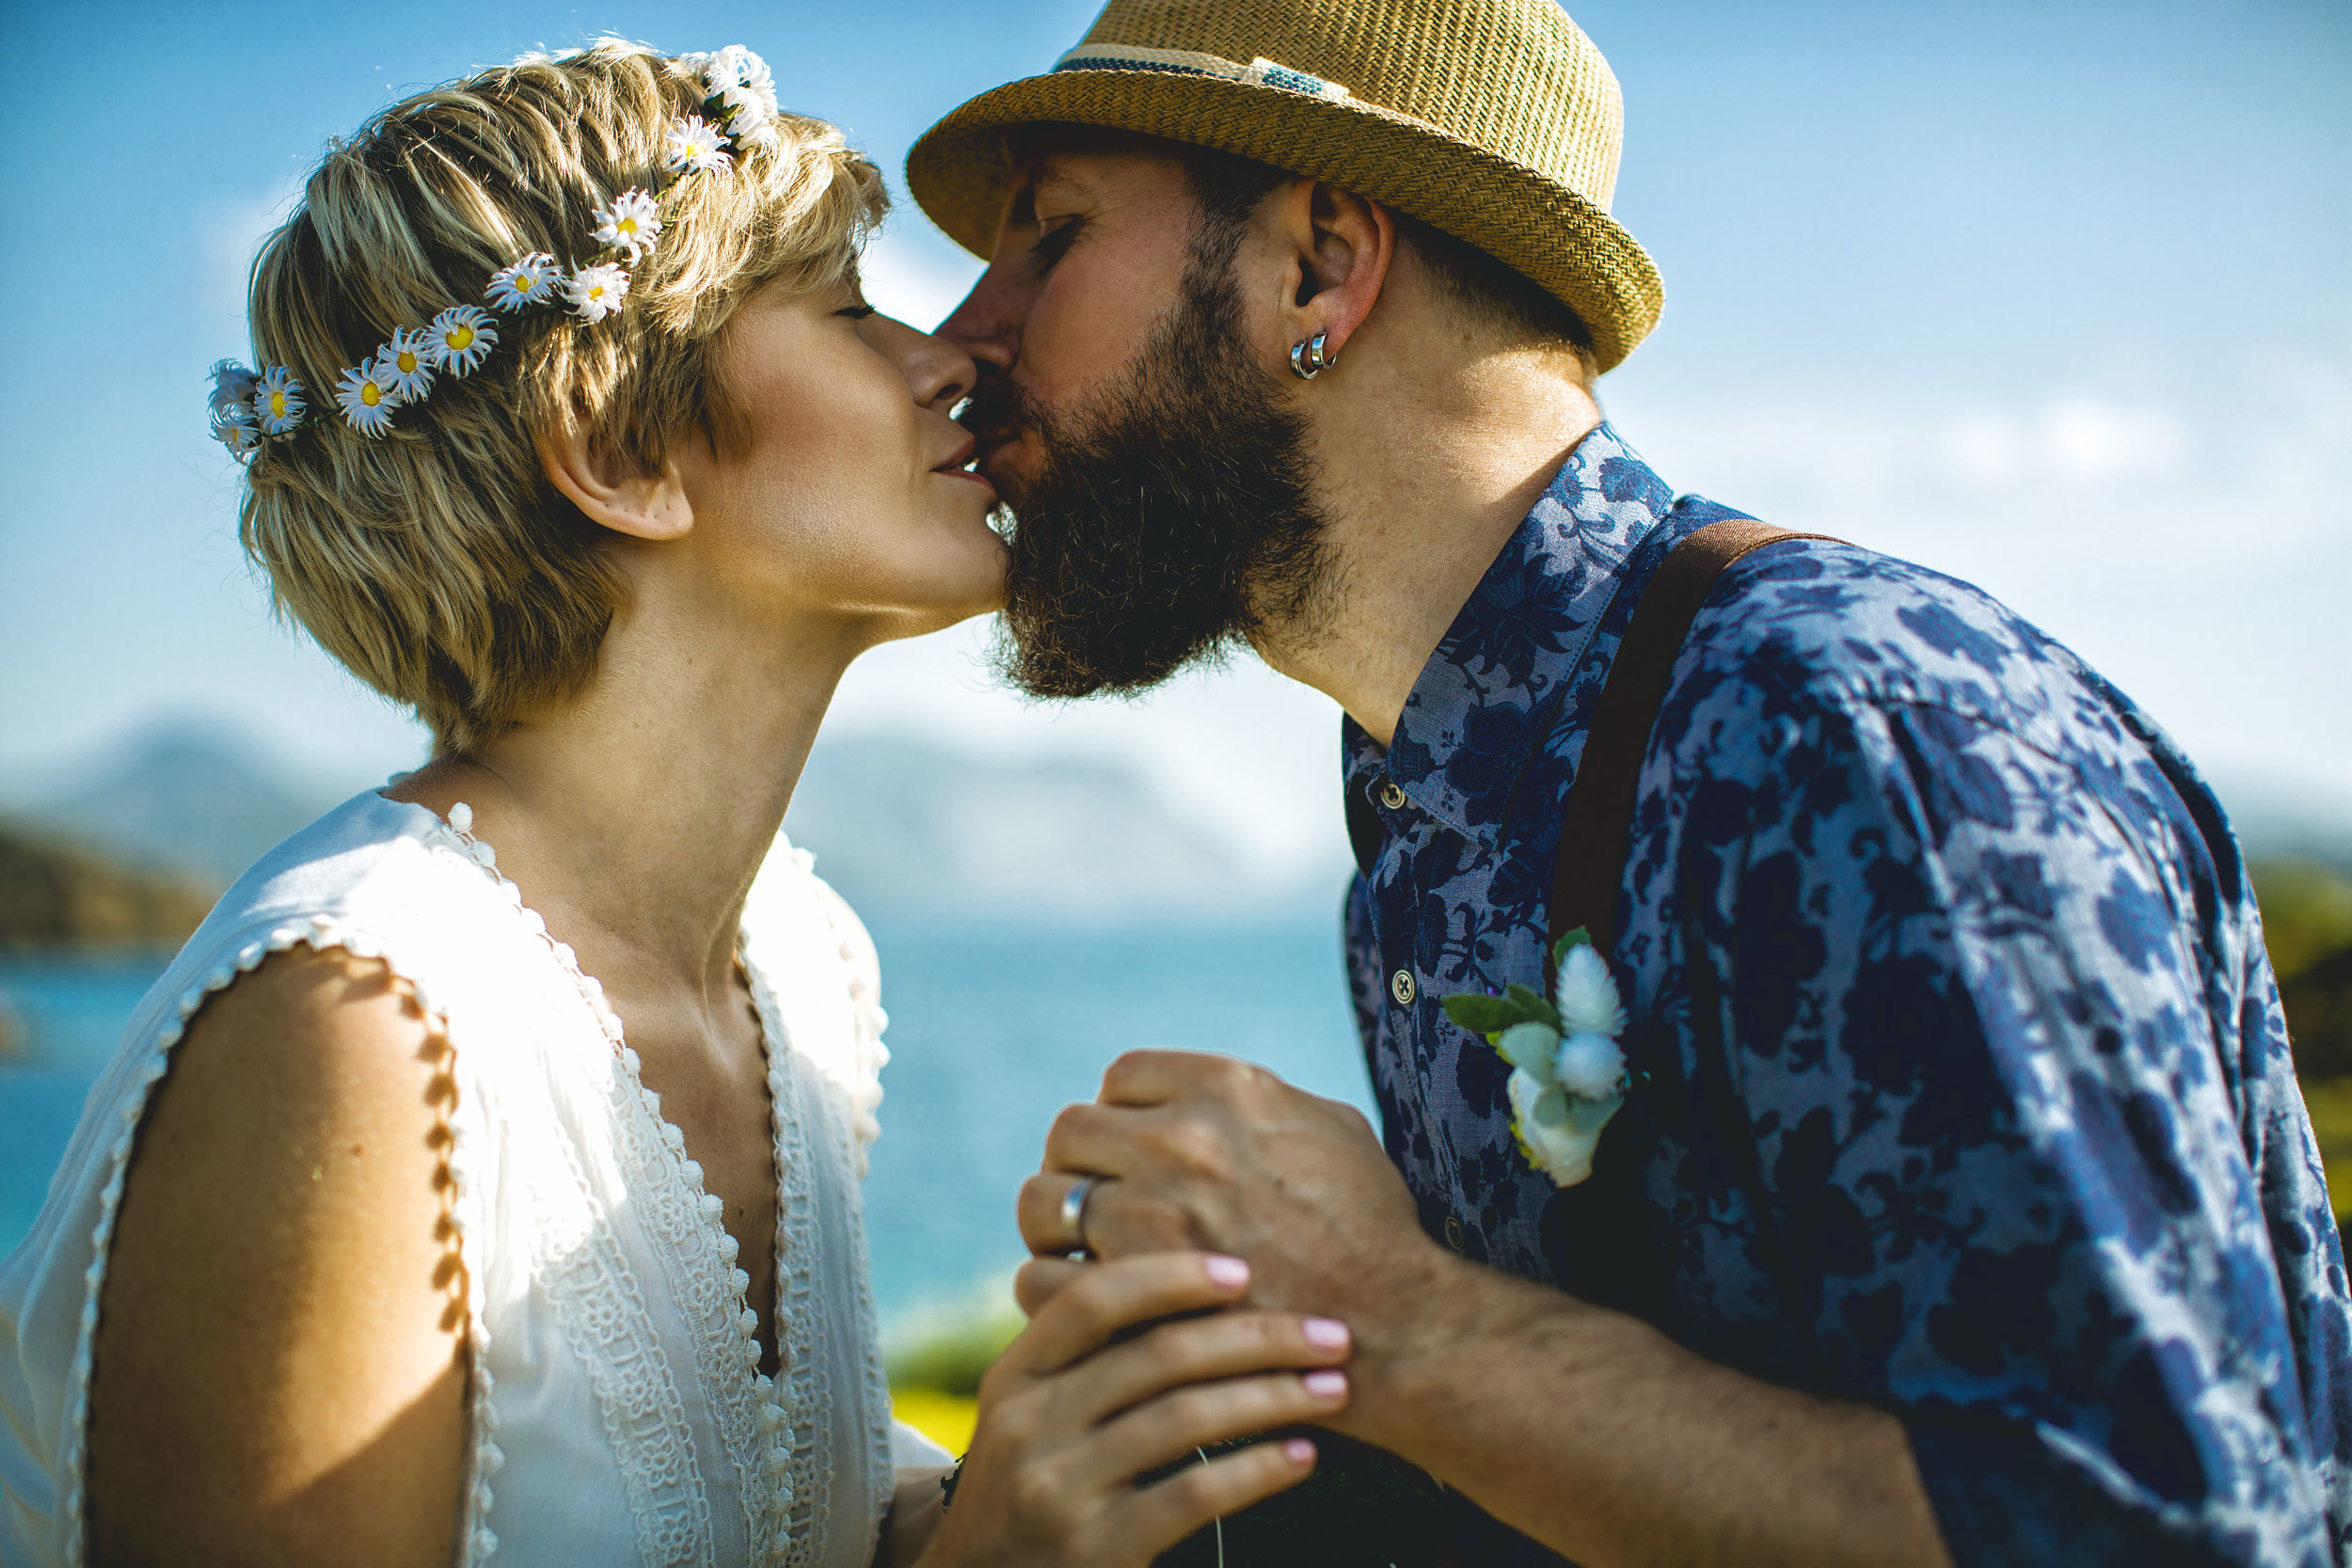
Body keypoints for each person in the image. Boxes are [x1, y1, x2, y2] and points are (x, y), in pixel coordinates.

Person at [909, 0, 2352, 1562]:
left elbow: (2164, 1532)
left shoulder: (1843, 727)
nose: (961, 338)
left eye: (1047, 239)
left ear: (1318, 264)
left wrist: (1390, 1319)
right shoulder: (1413, 808)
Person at [0, 41, 1357, 1568]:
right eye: (848, 310)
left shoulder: (802, 962)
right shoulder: (352, 1032)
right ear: (622, 450)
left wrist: (1061, 1452)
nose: (951, 359)